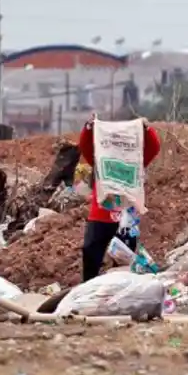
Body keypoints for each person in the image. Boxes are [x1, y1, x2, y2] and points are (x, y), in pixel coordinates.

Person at [76, 116, 162, 282]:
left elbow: (154, 147)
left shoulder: (134, 161)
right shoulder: (100, 160)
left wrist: (147, 129)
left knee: (124, 258)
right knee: (90, 252)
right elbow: (85, 147)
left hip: (126, 218)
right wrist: (88, 129)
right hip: (100, 214)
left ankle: (119, 291)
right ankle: (87, 288)